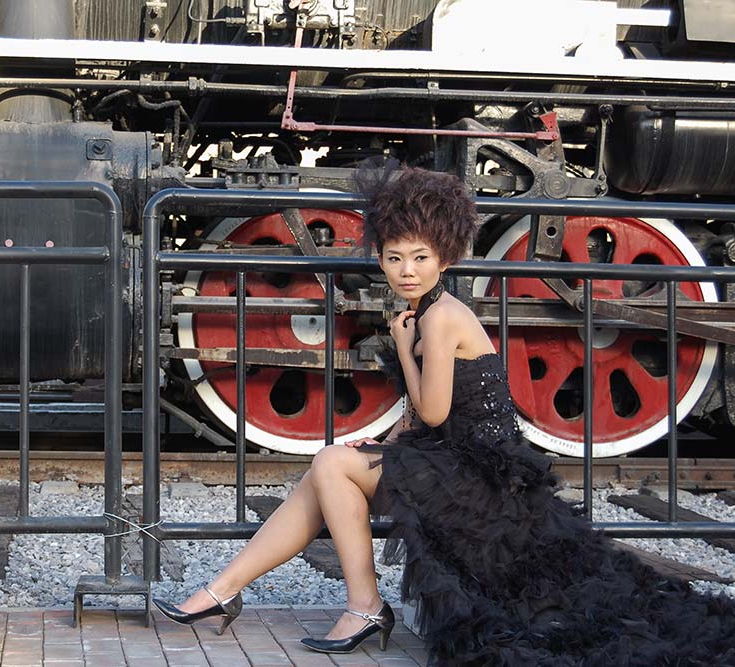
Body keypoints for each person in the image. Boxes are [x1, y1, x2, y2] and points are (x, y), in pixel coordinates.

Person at [153, 164, 735, 665]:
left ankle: (362, 607)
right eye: (393, 257)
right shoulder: (428, 309)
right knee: (326, 472)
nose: (405, 269)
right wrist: (385, 444)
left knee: (329, 463)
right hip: (456, 463)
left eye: (420, 258)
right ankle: (224, 590)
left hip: (479, 481)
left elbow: (432, 409)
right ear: (379, 257)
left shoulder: (438, 318)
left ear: (445, 257)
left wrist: (404, 349)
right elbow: (422, 418)